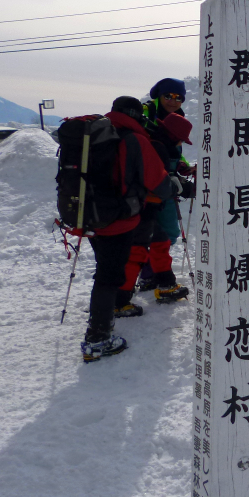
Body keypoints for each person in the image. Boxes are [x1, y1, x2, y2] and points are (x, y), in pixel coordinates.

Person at [82, 96, 175, 362]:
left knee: (105, 269)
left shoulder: (94, 133)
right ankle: (98, 338)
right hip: (118, 218)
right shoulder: (135, 139)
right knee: (109, 275)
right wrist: (175, 187)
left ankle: (104, 319)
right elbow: (157, 181)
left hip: (89, 215)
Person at [114, 114, 194, 316]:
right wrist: (183, 188)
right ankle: (119, 302)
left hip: (140, 203)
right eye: (181, 138)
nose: (181, 142)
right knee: (137, 251)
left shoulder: (154, 142)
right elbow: (159, 180)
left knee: (160, 240)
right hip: (143, 205)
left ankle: (166, 285)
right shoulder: (158, 147)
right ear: (174, 135)